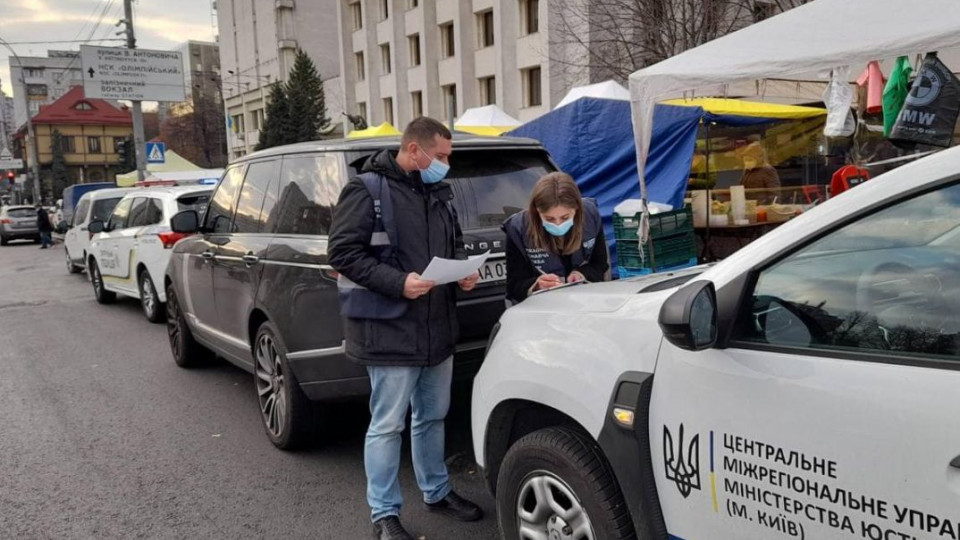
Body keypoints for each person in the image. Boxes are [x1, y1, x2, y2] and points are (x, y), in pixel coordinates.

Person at [328, 117, 482, 540]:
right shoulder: (366, 189)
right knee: (387, 424)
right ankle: (384, 514)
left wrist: (464, 273)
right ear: (415, 151)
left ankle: (436, 491)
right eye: (442, 155)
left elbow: (452, 244)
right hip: (389, 330)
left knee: (432, 417)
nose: (447, 164)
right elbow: (342, 253)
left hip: (436, 328)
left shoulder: (439, 192)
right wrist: (398, 283)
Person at [502, 172, 608, 304]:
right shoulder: (518, 228)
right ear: (537, 212)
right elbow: (514, 285)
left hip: (585, 301)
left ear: (576, 209)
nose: (558, 224)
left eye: (565, 217)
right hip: (541, 308)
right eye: (549, 219)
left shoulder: (590, 215)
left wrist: (581, 274)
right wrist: (537, 285)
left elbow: (600, 264)